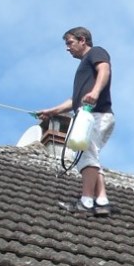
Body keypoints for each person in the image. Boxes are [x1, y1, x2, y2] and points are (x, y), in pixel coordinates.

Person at [38, 27, 116, 216]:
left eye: (70, 43)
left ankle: (86, 202)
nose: (67, 48)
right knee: (90, 154)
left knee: (85, 153)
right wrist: (52, 112)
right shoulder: (84, 67)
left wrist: (95, 92)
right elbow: (75, 101)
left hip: (95, 114)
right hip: (90, 114)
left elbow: (104, 69)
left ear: (82, 40)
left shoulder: (96, 52)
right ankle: (102, 201)